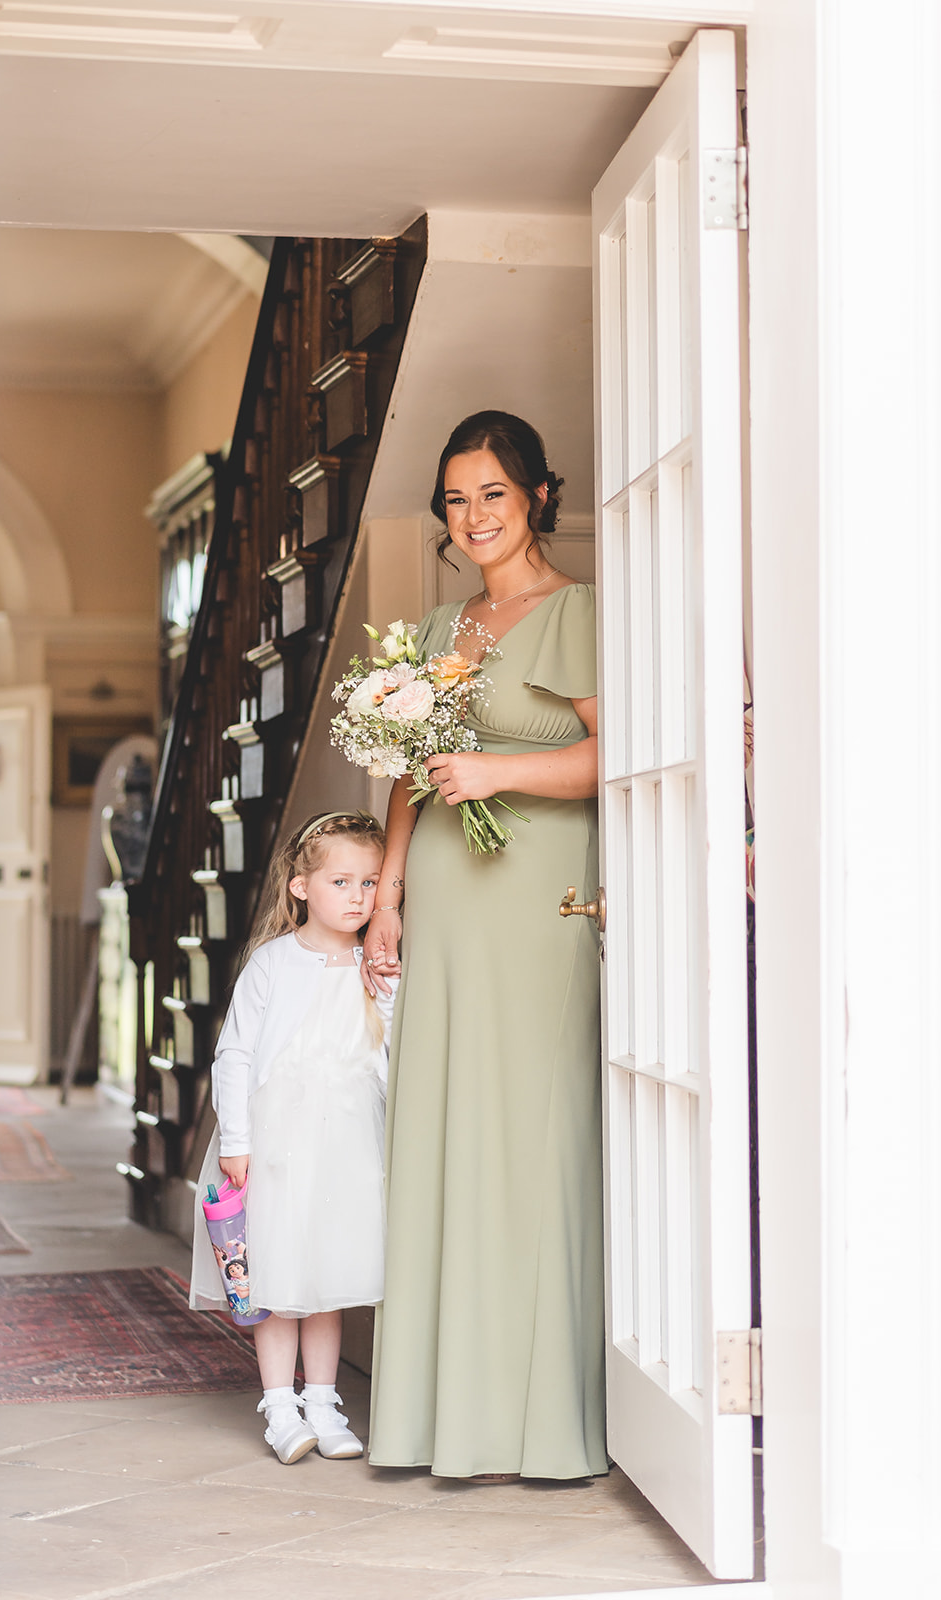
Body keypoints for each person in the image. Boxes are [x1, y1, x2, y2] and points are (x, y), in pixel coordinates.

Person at [364, 411, 606, 1481]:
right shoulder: (433, 629)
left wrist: (498, 771)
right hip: (448, 911)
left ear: (537, 498)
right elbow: (410, 773)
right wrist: (386, 892)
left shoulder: (580, 614)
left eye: (493, 495)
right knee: (442, 1134)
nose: (473, 519)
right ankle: (436, 1418)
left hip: (537, 907)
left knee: (528, 1138)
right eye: (456, 500)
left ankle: (544, 1419)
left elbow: (619, 758)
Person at [189, 811, 398, 1465]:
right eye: (342, 881)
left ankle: (324, 1402)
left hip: (346, 1144)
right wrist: (236, 1140)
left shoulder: (379, 963)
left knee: (326, 1277)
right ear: (303, 886)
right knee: (277, 1278)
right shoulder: (272, 962)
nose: (359, 896)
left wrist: (387, 994)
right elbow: (236, 1055)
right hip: (276, 1143)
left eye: (370, 882)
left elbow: (391, 1053)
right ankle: (280, 1406)